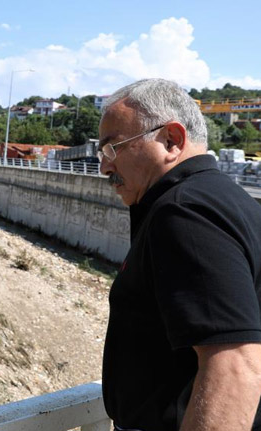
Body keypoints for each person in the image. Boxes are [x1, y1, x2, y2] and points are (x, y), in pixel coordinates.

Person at [98, 78, 261, 430]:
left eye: (112, 149)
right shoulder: (228, 201)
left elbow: (232, 367)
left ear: (171, 140)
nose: (104, 167)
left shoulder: (184, 214)